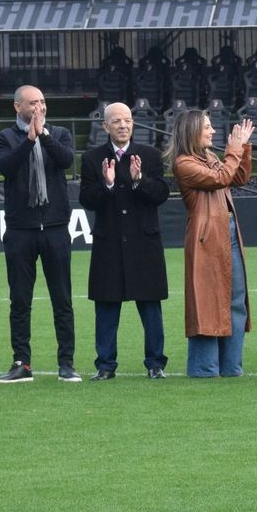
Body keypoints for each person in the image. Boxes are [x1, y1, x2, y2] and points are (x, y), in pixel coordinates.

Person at [78, 102, 170, 380]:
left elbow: (162, 193)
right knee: (106, 306)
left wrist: (139, 180)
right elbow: (86, 199)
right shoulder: (93, 158)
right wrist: (106, 185)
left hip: (144, 243)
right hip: (109, 245)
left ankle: (155, 364)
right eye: (116, 121)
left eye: (127, 120)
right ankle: (105, 366)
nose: (123, 125)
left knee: (150, 305)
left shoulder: (150, 156)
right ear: (105, 126)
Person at [0, 84, 79, 382]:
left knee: (62, 299)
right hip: (20, 230)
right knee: (20, 300)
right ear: (18, 107)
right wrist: (28, 141)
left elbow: (66, 161)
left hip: (55, 228)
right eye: (33, 103)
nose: (39, 107)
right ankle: (22, 363)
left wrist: (42, 135)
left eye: (42, 101)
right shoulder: (5, 137)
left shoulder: (59, 133)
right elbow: (6, 167)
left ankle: (66, 363)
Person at [171, 110, 256, 377]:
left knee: (236, 301)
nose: (213, 131)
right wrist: (234, 150)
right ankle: (204, 369)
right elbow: (219, 179)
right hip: (206, 237)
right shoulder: (184, 163)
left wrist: (243, 148)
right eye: (207, 127)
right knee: (206, 302)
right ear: (192, 131)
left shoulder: (210, 157)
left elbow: (238, 178)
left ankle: (231, 367)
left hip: (227, 230)